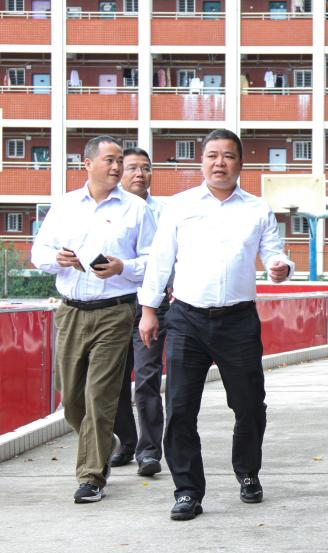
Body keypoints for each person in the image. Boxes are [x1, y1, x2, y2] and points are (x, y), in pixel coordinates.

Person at [138, 129, 294, 521]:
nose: (219, 163)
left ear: (240, 162)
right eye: (212, 155)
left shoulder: (257, 208)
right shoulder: (180, 206)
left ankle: (248, 472)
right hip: (186, 319)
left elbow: (274, 254)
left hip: (238, 321)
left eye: (228, 156)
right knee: (180, 408)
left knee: (249, 406)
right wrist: (148, 309)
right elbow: (160, 260)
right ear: (202, 161)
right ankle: (187, 491)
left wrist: (280, 267)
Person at [31, 136, 156, 503]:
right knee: (71, 400)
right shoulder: (65, 205)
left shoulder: (136, 209)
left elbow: (154, 260)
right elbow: (39, 252)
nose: (116, 167)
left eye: (119, 160)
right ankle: (104, 440)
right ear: (87, 164)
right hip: (70, 311)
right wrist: (57, 259)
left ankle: (91, 477)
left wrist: (123, 267)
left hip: (115, 311)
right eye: (109, 160)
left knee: (99, 396)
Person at [110, 148, 169, 477]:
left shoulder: (165, 212)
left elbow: (172, 255)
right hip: (115, 305)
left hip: (154, 306)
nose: (139, 174)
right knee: (116, 380)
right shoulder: (111, 211)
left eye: (145, 168)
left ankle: (149, 452)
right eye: (132, 167)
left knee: (147, 379)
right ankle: (126, 442)